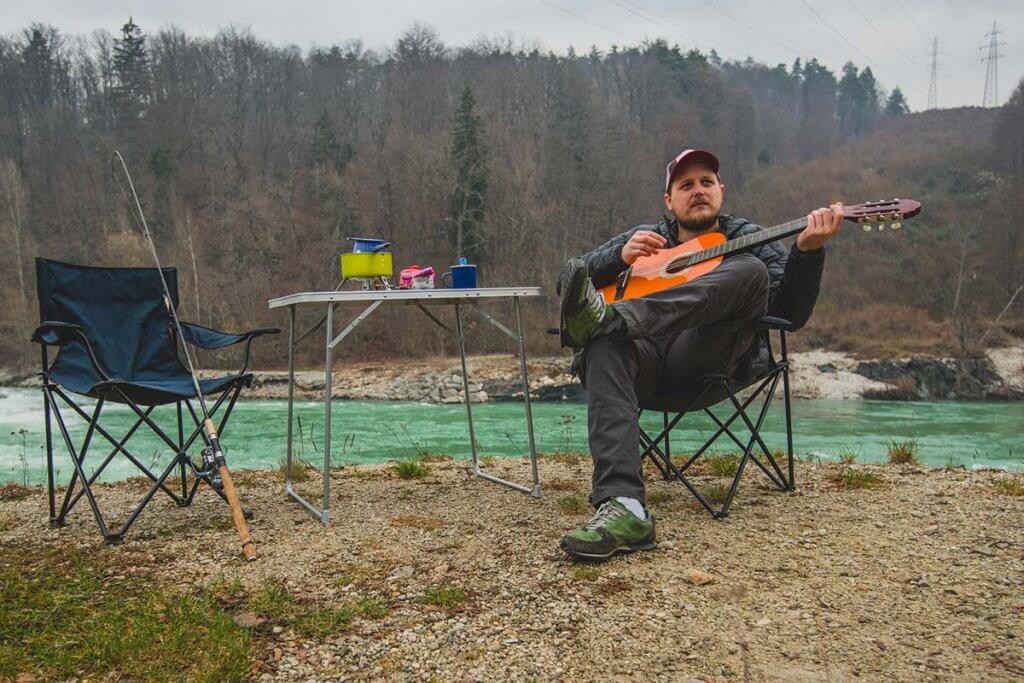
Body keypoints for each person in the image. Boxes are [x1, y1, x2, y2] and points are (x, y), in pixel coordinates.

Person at [557, 147, 843, 560]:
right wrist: (615, 258)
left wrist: (808, 252)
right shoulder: (647, 237)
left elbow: (788, 316)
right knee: (600, 344)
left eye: (706, 182)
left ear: (721, 191)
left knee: (750, 271)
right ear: (668, 200)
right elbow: (572, 282)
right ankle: (624, 506)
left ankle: (616, 319)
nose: (698, 191)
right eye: (685, 185)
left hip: (709, 361)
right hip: (645, 366)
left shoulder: (749, 238)